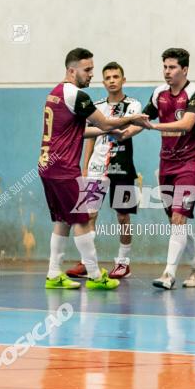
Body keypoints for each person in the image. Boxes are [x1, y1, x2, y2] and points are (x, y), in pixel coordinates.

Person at [40, 48, 150, 290]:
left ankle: (53, 273)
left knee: (62, 221)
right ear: (71, 70)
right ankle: (94, 275)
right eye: (87, 70)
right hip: (64, 169)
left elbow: (81, 130)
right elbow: (106, 121)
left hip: (47, 166)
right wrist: (131, 120)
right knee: (81, 219)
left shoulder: (55, 93)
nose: (91, 74)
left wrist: (107, 131)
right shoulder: (78, 96)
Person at [66, 61, 144, 280]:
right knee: (88, 215)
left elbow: (131, 129)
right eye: (108, 77)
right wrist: (84, 167)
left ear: (123, 80)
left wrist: (122, 130)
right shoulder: (96, 106)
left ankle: (123, 262)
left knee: (123, 216)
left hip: (122, 168)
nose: (112, 81)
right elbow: (89, 137)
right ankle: (86, 262)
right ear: (103, 81)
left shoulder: (133, 105)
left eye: (116, 77)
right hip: (96, 168)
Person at [141, 48, 195, 290]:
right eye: (165, 67)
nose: (167, 72)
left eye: (172, 68)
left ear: (185, 69)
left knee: (179, 217)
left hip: (191, 163)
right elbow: (142, 119)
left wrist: (153, 127)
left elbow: (186, 124)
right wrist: (120, 130)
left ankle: (168, 275)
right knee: (174, 220)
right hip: (166, 162)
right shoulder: (159, 93)